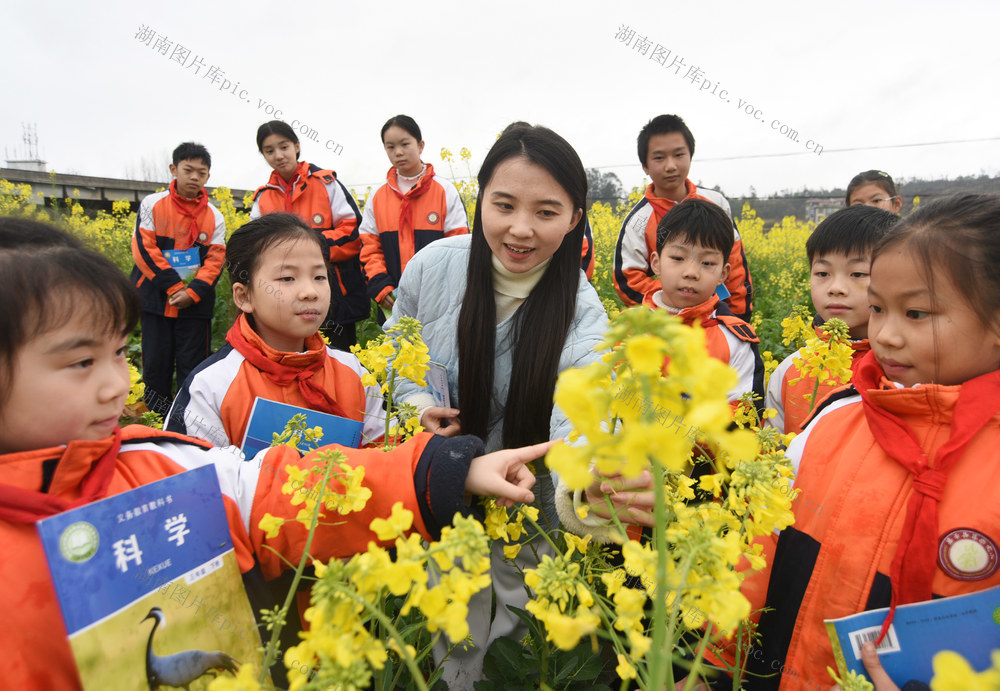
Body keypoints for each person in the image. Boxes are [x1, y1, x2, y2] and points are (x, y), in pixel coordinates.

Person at [0, 217, 554, 690]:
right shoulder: (212, 387)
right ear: (243, 295)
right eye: (80, 362)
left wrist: (441, 467)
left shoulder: (162, 466)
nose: (116, 386)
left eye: (119, 353)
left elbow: (270, 485)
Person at [715, 194, 1000, 690]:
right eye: (878, 310)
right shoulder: (836, 419)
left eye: (915, 313)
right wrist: (715, 663)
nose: (885, 335)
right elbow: (757, 554)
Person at [386, 123, 609, 687]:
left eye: (546, 212)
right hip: (441, 493)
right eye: (503, 205)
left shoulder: (581, 309)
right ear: (479, 196)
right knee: (445, 648)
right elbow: (391, 360)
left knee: (517, 643)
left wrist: (590, 473)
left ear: (576, 217)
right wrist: (415, 406)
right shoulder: (432, 267)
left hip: (526, 505)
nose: (520, 229)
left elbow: (586, 403)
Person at [165, 213, 385, 448]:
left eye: (319, 276)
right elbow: (192, 477)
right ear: (244, 296)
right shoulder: (210, 387)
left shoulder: (356, 373)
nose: (310, 292)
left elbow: (385, 455)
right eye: (287, 278)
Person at [766, 206, 898, 434]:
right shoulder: (790, 370)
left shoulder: (906, 369)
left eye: (857, 274)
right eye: (822, 274)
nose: (836, 288)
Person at [613, 114, 753, 320]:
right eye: (659, 158)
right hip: (668, 323)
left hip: (718, 316)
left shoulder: (717, 203)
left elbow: (734, 264)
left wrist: (738, 317)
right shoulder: (639, 220)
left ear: (690, 155)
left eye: (679, 155)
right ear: (645, 166)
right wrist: (676, 296)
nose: (671, 166)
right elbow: (628, 281)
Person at [250, 120, 365, 351]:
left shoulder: (326, 183)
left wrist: (308, 249)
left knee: (338, 359)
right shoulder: (262, 198)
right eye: (269, 151)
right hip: (284, 298)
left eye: (284, 147)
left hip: (334, 296)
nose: (278, 155)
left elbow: (352, 233)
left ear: (297, 146)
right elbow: (255, 247)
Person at [129, 142, 226, 416]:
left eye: (202, 172)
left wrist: (192, 292)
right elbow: (144, 250)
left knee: (192, 367)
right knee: (155, 366)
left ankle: (188, 423)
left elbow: (215, 261)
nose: (195, 177)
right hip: (157, 301)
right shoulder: (152, 204)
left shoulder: (215, 217)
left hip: (195, 307)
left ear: (208, 176)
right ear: (174, 169)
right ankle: (156, 422)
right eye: (188, 170)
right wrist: (174, 287)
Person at [643, 199, 763, 404]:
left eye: (707, 263)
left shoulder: (737, 342)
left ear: (723, 274)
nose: (691, 273)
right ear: (656, 263)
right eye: (678, 258)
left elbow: (745, 414)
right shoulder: (630, 329)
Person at [359, 115, 469, 314]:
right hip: (393, 301)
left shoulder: (445, 190)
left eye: (405, 144)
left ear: (420, 145)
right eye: (390, 147)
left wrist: (443, 289)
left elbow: (459, 247)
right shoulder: (377, 196)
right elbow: (369, 248)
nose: (398, 152)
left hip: (440, 301)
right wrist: (382, 288)